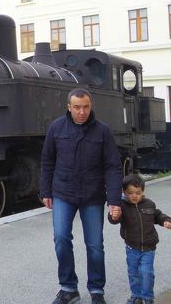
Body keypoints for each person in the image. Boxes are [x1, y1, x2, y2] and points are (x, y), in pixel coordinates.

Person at [41, 88, 123, 304]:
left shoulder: (103, 131)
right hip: (63, 193)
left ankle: (97, 290)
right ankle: (68, 288)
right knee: (61, 239)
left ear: (91, 106)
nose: (82, 112)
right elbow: (47, 161)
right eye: (77, 107)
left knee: (95, 244)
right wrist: (45, 191)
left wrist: (114, 199)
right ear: (69, 107)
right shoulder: (56, 128)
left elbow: (113, 167)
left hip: (93, 196)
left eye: (86, 107)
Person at [109, 174, 171, 304]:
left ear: (143, 191)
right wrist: (114, 216)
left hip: (149, 248)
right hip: (131, 247)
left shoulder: (149, 204)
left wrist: (166, 221)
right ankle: (136, 295)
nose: (134, 196)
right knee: (133, 273)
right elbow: (114, 220)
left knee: (146, 272)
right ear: (124, 192)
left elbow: (158, 215)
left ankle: (148, 297)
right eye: (130, 193)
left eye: (138, 193)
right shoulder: (122, 206)